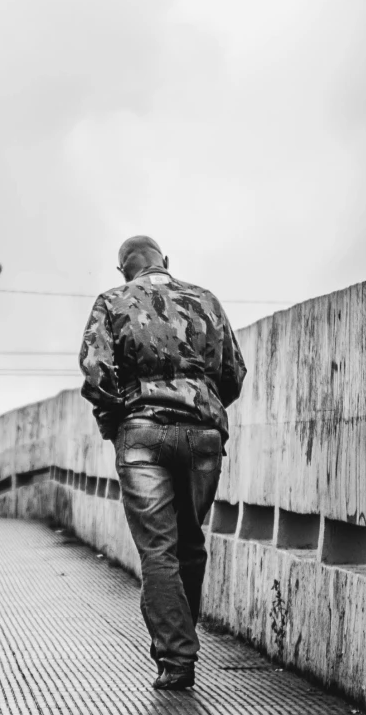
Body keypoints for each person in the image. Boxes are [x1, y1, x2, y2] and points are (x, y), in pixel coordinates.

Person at [77, 234, 246, 691]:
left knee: (158, 549)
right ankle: (179, 643)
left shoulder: (112, 301)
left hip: (142, 432)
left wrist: (119, 421)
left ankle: (176, 659)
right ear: (165, 262)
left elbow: (96, 374)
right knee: (190, 543)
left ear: (124, 270)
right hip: (203, 434)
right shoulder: (205, 300)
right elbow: (233, 373)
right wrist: (203, 403)